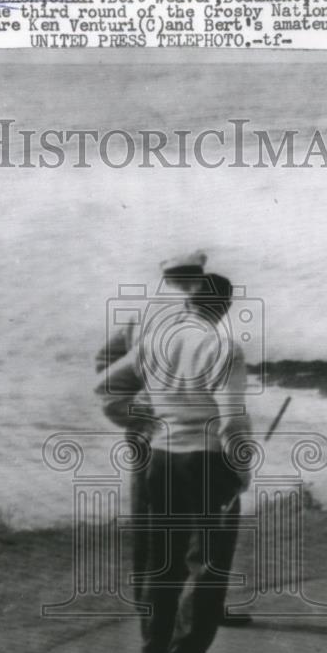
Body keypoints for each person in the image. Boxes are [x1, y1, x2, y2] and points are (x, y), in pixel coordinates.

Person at [96, 273, 252, 653]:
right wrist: (241, 469)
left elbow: (106, 387)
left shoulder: (154, 343)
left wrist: (144, 424)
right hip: (206, 463)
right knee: (207, 565)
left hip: (160, 460)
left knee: (163, 562)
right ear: (225, 308)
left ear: (187, 305)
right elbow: (232, 419)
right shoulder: (225, 348)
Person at [94, 250, 208, 603]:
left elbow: (105, 360)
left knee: (148, 511)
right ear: (198, 276)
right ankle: (196, 604)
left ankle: (147, 597)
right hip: (182, 429)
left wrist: (133, 406)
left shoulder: (143, 311)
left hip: (144, 425)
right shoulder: (199, 313)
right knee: (200, 519)